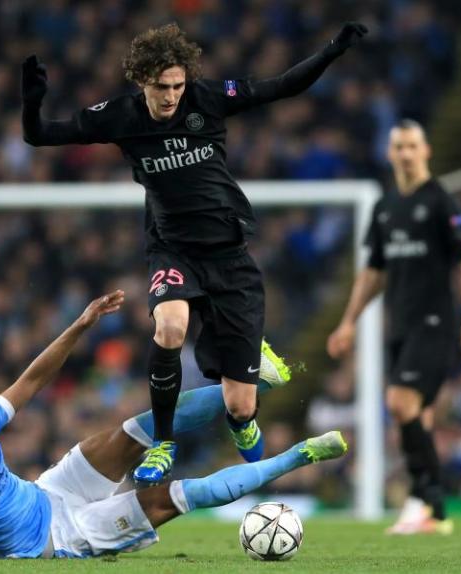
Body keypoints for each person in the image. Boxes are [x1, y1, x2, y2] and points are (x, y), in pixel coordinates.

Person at [21, 21, 368, 483]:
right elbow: (39, 134)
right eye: (161, 87)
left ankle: (242, 421)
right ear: (142, 80)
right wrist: (32, 99)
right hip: (173, 250)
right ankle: (162, 442)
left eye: (178, 86)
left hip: (229, 256)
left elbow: (281, 87)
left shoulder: (207, 98)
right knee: (170, 327)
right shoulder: (120, 117)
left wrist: (331, 51)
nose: (171, 96)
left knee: (239, 403)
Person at [0, 290, 347, 559]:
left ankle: (257, 384)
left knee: (131, 431)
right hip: (63, 536)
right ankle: (300, 454)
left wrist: (79, 326)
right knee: (174, 495)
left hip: (51, 490)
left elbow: (33, 379)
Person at [326, 120, 461, 535]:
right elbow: (374, 272)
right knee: (418, 417)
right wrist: (348, 322)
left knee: (399, 402)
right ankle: (426, 510)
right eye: (398, 146)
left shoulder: (439, 201)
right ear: (389, 152)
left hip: (434, 323)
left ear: (426, 151)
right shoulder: (385, 206)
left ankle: (430, 500)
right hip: (399, 326)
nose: (405, 153)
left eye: (412, 146)